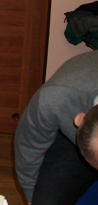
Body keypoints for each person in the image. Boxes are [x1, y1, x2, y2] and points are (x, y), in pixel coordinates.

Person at [14, 50, 98, 205]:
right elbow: (28, 149)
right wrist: (32, 197)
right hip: (71, 143)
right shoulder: (54, 99)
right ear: (80, 119)